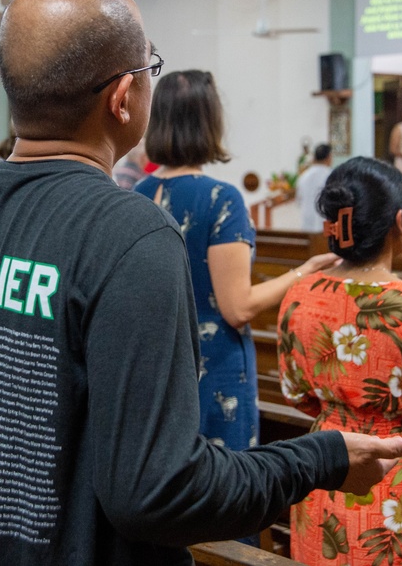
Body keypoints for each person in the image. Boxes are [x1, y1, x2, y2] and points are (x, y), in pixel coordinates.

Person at [0, 0, 402, 566]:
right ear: (123, 97)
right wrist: (321, 460)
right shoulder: (129, 236)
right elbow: (156, 493)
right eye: (149, 69)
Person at [134, 72, 339, 488]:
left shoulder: (136, 193)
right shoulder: (220, 198)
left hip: (155, 363)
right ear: (210, 123)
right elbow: (237, 306)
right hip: (213, 367)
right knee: (223, 495)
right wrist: (304, 272)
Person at [277, 156, 402, 566]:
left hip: (325, 468)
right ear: (400, 223)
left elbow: (297, 393)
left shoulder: (300, 295)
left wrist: (344, 414)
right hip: (400, 480)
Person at [296, 142, 333, 232]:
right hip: (324, 226)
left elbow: (299, 201)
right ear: (328, 157)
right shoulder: (331, 176)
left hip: (306, 224)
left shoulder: (303, 176)